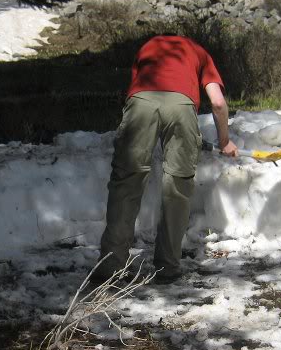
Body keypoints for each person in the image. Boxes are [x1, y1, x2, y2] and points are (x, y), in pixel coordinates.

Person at [94, 34, 238, 285]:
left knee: (126, 182)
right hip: (182, 107)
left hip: (140, 103)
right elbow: (217, 102)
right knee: (177, 186)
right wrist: (225, 140)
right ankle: (167, 268)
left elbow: (138, 89)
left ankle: (111, 267)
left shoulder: (148, 46)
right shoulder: (200, 52)